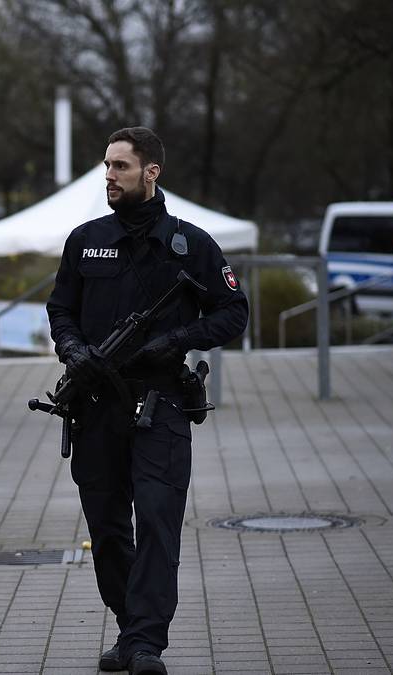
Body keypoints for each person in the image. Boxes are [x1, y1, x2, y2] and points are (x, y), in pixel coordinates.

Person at [46, 127, 248, 675]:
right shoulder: (85, 239)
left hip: (160, 403)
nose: (109, 175)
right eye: (106, 166)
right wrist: (72, 348)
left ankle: (144, 643)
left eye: (121, 167)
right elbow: (60, 307)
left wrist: (177, 341)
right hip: (95, 405)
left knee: (158, 522)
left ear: (151, 172)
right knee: (107, 531)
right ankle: (129, 623)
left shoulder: (191, 244)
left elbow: (234, 312)